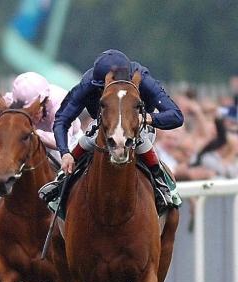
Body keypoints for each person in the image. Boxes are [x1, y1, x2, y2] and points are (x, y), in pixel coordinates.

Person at [44, 49, 184, 212]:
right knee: (88, 139)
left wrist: (144, 118)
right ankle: (62, 183)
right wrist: (64, 153)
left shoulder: (143, 79)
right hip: (104, 125)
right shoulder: (88, 83)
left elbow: (176, 116)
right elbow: (62, 119)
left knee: (142, 142)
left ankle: (162, 184)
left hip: (138, 126)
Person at [0, 72, 82, 159]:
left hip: (68, 143)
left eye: (34, 111)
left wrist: (32, 133)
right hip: (32, 139)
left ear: (45, 101)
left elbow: (61, 141)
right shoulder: (16, 99)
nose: (31, 117)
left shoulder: (61, 104)